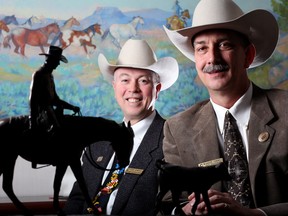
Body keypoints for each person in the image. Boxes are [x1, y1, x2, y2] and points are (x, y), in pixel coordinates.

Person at [162, 0, 288, 215]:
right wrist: (186, 211)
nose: (212, 58)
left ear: (248, 56)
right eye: (202, 48)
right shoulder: (177, 129)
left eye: (224, 45)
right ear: (196, 60)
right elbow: (167, 206)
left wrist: (256, 215)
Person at [63, 39, 179, 215]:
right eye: (125, 80)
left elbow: (172, 206)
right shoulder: (97, 143)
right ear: (114, 86)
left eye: (143, 81)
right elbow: (77, 199)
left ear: (158, 89)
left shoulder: (172, 141)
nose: (133, 89)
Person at [29, 45, 80, 134]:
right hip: (44, 113)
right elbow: (33, 100)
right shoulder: (39, 74)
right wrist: (33, 121)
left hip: (51, 110)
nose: (58, 63)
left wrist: (72, 107)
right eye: (57, 61)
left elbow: (55, 99)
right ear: (51, 60)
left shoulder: (50, 76)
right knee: (56, 132)